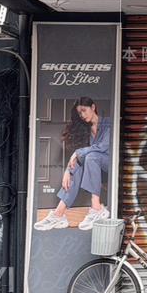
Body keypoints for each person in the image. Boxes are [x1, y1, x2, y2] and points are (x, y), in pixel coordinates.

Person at [34, 97, 112, 231]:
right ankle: (59, 214)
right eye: (79, 113)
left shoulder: (108, 123)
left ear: (93, 107)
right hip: (94, 170)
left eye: (84, 110)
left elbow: (103, 147)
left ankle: (96, 208)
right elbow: (79, 158)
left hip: (111, 166)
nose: (82, 115)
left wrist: (77, 152)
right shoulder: (86, 129)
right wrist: (68, 171)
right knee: (82, 163)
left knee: (92, 157)